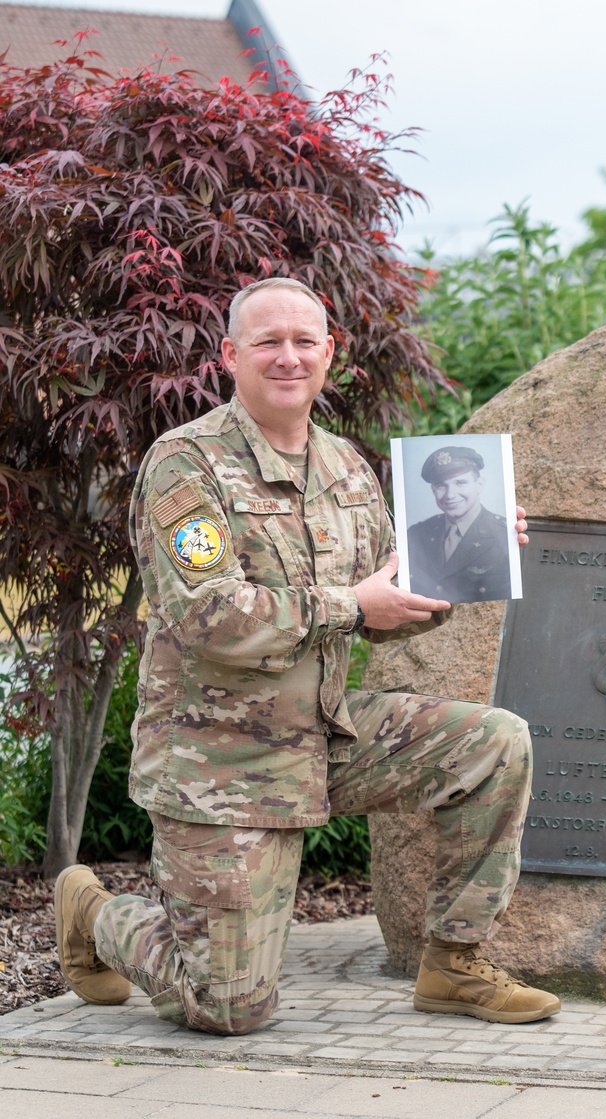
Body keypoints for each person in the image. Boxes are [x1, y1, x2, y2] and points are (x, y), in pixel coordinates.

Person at [53, 276, 559, 1035]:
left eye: (303, 342)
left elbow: (386, 604)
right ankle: (95, 913)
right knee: (227, 1007)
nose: (287, 357)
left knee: (495, 741)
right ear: (230, 354)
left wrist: (468, 557)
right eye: (267, 341)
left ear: (328, 354)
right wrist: (353, 604)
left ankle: (453, 963)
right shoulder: (187, 464)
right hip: (218, 761)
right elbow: (207, 616)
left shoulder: (348, 471)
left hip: (323, 733)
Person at [407, 446, 512, 603]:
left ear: (479, 485)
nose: (450, 495)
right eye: (441, 485)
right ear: (433, 490)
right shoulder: (416, 534)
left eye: (460, 483)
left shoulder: (505, 535)